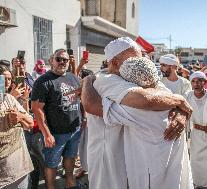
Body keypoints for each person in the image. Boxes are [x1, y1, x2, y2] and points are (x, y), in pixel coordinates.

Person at [81, 37, 192, 189]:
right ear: (114, 63)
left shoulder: (136, 76)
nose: (139, 64)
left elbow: (161, 93)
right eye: (132, 60)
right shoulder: (107, 80)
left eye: (141, 59)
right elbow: (147, 100)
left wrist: (182, 111)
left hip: (133, 161)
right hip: (108, 160)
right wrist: (179, 102)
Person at [31, 49, 81, 189]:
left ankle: (70, 184)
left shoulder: (74, 78)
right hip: (55, 133)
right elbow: (37, 109)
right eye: (59, 59)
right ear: (51, 61)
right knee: (52, 163)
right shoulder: (42, 82)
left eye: (65, 60)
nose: (62, 62)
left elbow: (79, 99)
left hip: (74, 130)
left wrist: (83, 119)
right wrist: (47, 134)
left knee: (70, 158)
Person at [0, 65, 34, 189]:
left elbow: (30, 123)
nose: (7, 82)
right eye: (3, 79)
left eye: (9, 79)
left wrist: (20, 116)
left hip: (17, 170)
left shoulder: (9, 98)